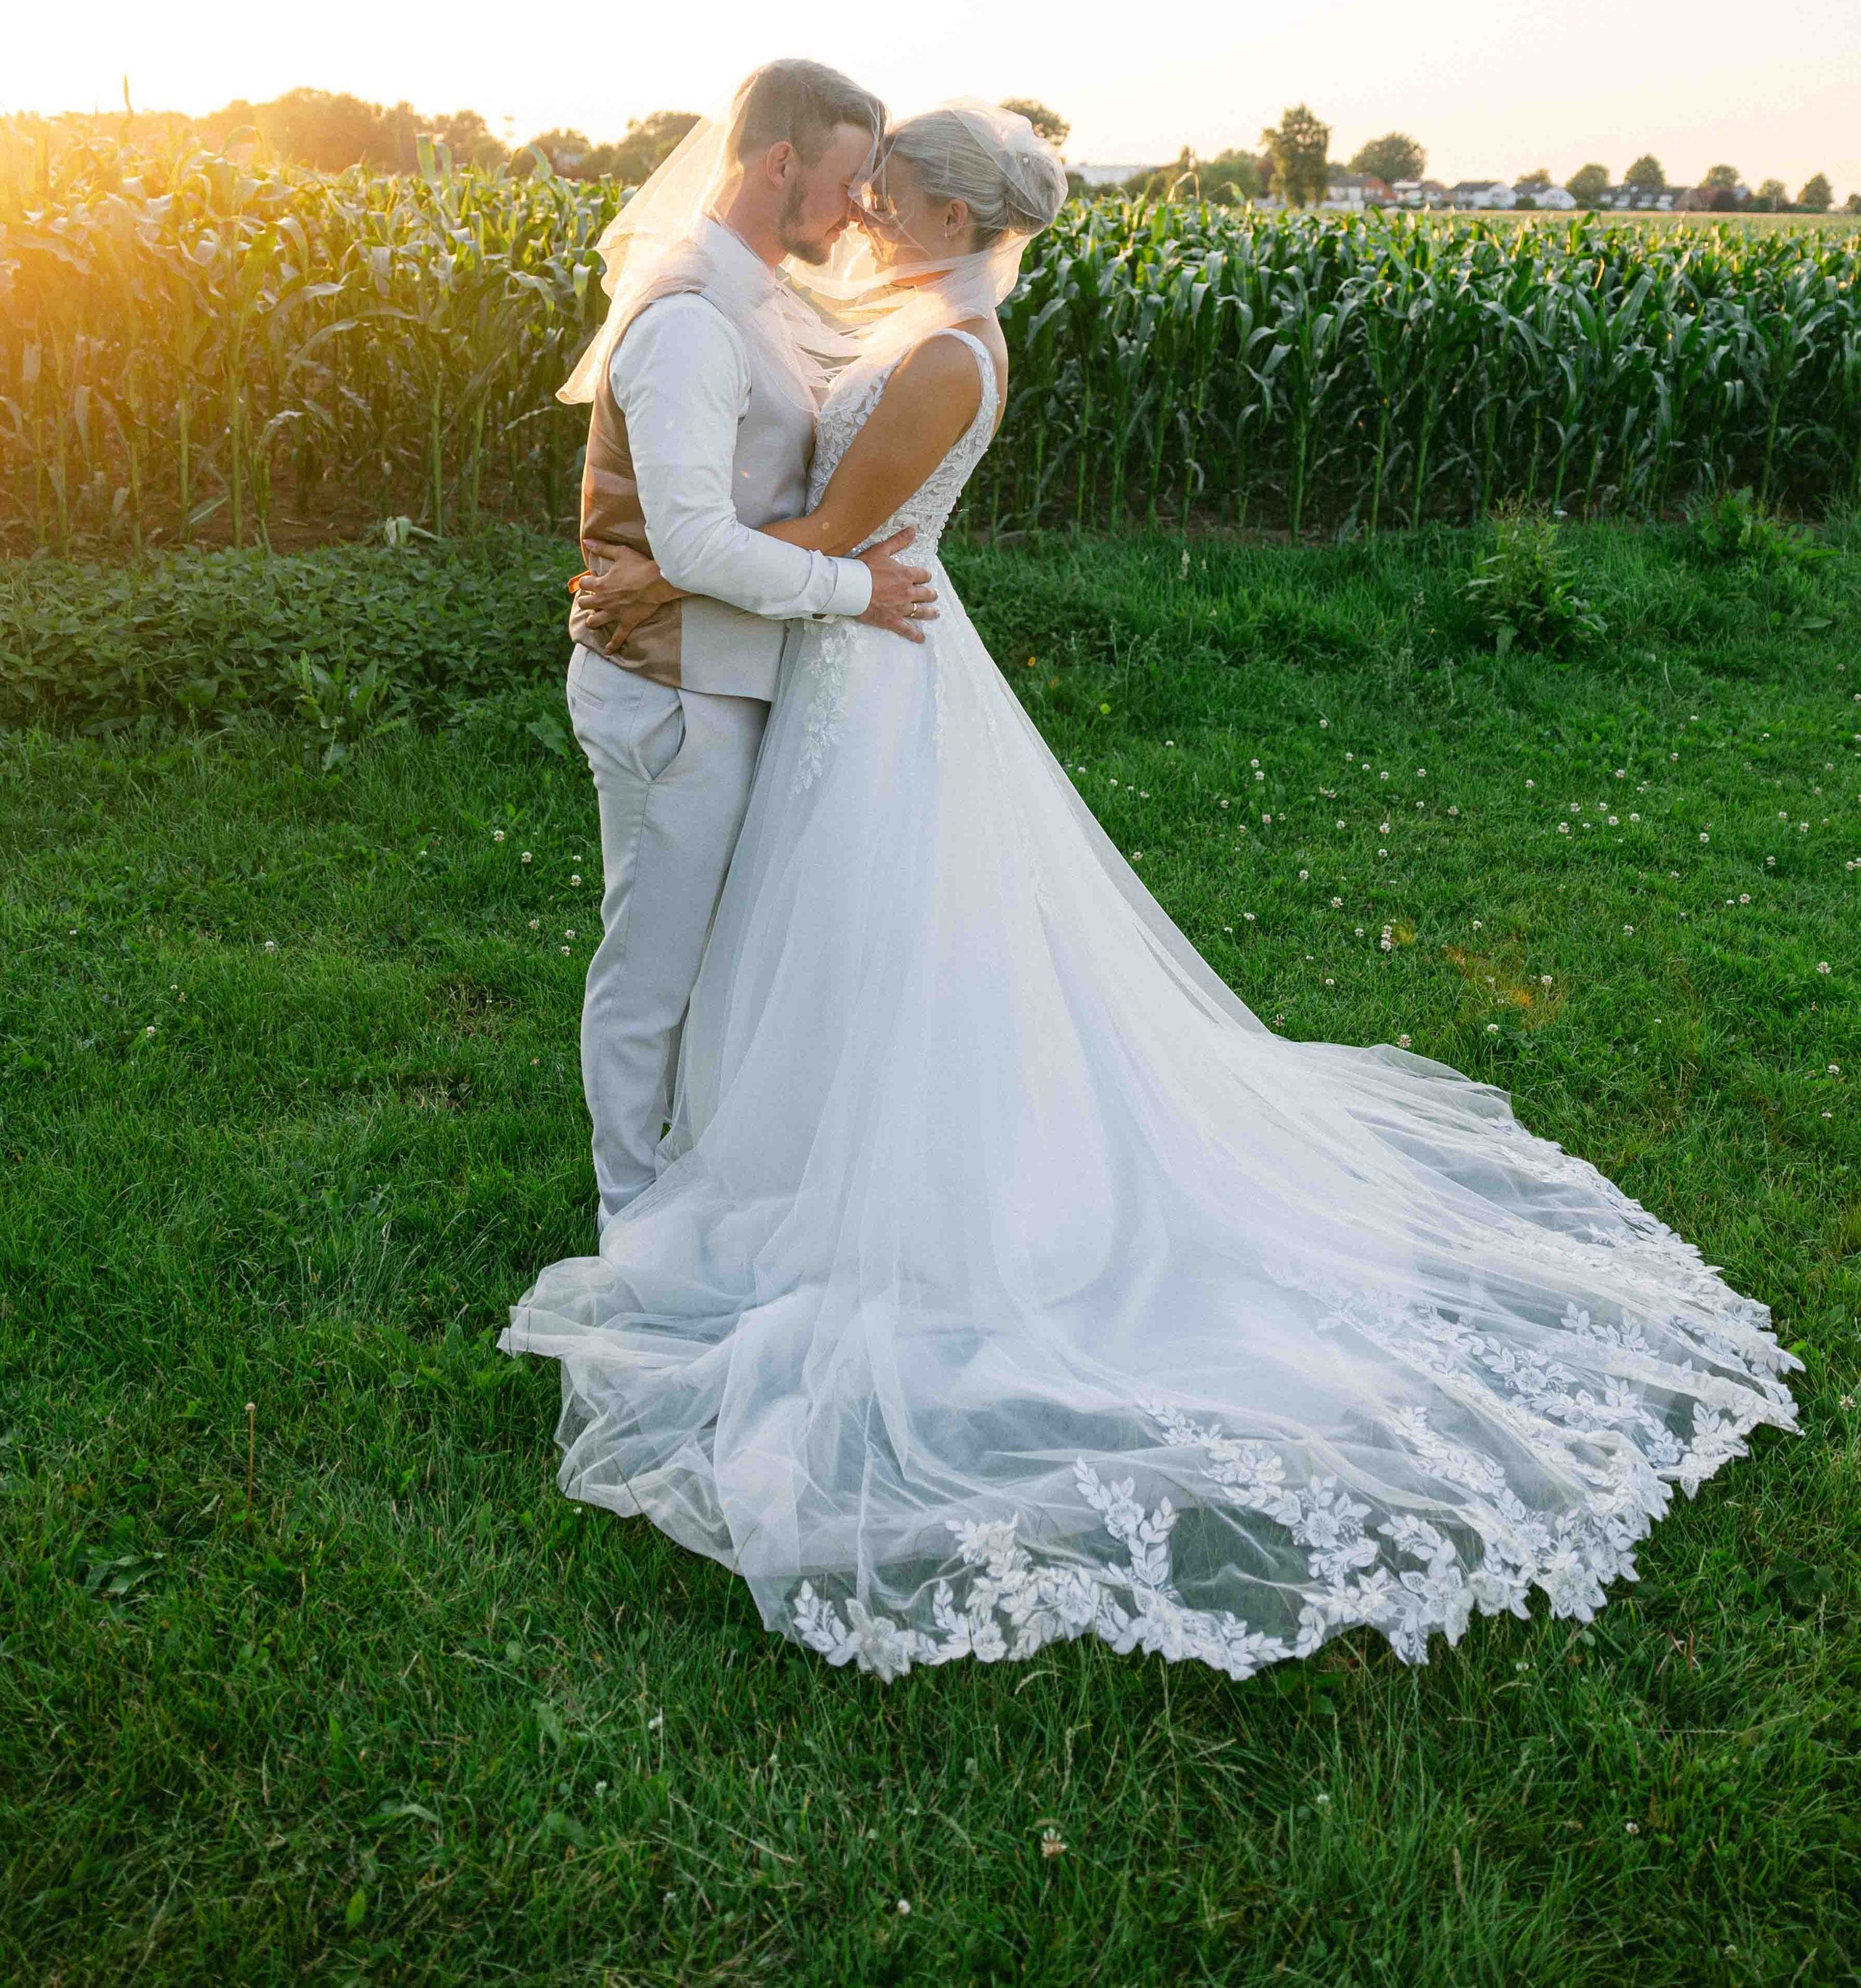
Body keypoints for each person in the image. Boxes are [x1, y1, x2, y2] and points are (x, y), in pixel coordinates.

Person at [505, 103, 1798, 1684]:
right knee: (842, 940)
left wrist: (654, 564)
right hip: (853, 662)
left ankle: (893, 1191)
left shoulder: (942, 355)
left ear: (940, 204)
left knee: (884, 935)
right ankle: (790, 1144)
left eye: (884, 180)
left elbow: (836, 538)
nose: (858, 196)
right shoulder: (920, 313)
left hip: (870, 661)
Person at [559, 57, 936, 1236]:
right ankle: (630, 1211)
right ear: (781, 162)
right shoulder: (684, 324)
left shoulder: (758, 294)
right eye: (851, 179)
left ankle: (686, 1174)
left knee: (714, 960)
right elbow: (691, 543)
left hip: (726, 677)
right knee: (653, 966)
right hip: (672, 687)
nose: (863, 207)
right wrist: (849, 588)